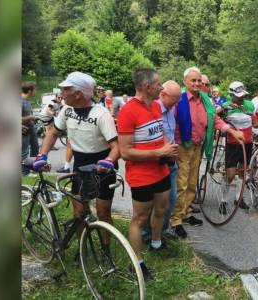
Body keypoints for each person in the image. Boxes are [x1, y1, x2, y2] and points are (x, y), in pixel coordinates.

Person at [33, 71, 119, 259]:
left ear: (78, 93)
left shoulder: (101, 114)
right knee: (79, 211)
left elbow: (116, 146)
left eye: (65, 90)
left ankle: (106, 250)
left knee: (103, 211)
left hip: (102, 164)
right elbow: (54, 133)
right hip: (80, 163)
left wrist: (109, 161)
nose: (62, 94)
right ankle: (82, 249)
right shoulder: (67, 110)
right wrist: (42, 155)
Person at [117, 68, 179, 279]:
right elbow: (125, 152)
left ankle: (156, 242)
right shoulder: (127, 111)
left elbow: (159, 134)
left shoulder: (154, 106)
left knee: (161, 208)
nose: (161, 88)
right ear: (147, 87)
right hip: (141, 176)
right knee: (139, 218)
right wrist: (158, 151)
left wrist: (168, 150)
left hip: (161, 170)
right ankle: (137, 263)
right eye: (158, 84)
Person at [170, 67, 244, 239]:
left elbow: (215, 120)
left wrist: (231, 131)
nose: (197, 84)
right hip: (182, 146)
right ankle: (175, 221)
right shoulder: (178, 99)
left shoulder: (205, 100)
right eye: (193, 80)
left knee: (191, 181)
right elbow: (168, 121)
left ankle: (186, 213)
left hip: (198, 146)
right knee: (181, 184)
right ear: (185, 82)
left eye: (200, 81)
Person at [141, 80, 182, 241]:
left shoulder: (169, 110)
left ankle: (161, 233)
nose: (177, 102)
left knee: (169, 201)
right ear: (163, 94)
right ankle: (147, 235)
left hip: (170, 162)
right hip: (156, 162)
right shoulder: (153, 109)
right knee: (153, 203)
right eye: (174, 99)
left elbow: (170, 134)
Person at [220, 81, 258, 211]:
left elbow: (255, 123)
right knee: (230, 175)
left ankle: (239, 199)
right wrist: (224, 109)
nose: (242, 97)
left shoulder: (249, 105)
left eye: (243, 95)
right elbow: (215, 118)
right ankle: (223, 200)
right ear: (231, 94)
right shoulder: (226, 105)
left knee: (243, 172)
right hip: (232, 144)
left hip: (247, 143)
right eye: (239, 95)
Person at [21, 82, 37, 175]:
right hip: (23, 128)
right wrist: (30, 117)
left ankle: (33, 167)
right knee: (24, 151)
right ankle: (24, 172)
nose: (35, 91)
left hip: (30, 126)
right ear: (30, 91)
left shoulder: (27, 100)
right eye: (35, 90)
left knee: (35, 147)